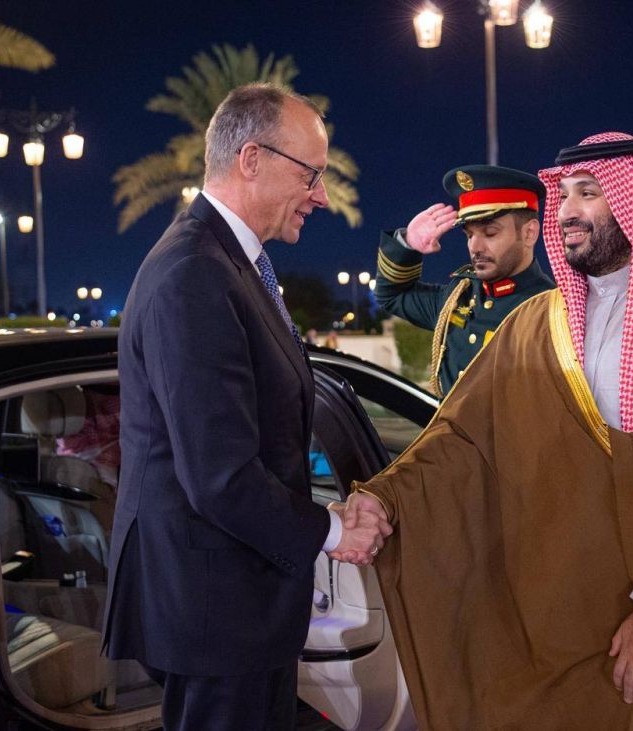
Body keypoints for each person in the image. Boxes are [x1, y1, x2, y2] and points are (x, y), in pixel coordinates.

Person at [344, 133, 633, 728]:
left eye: (588, 193)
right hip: (566, 602)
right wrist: (381, 498)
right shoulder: (535, 321)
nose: (566, 210)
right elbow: (461, 435)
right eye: (564, 194)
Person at [103, 83, 389, 731]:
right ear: (252, 159)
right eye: (311, 174)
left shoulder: (226, 262)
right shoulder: (195, 273)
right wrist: (335, 533)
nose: (321, 195)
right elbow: (221, 477)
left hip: (232, 609)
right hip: (214, 614)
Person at [374, 165, 554, 396]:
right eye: (469, 235)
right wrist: (407, 244)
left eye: (490, 233)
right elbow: (391, 295)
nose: (475, 247)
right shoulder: (458, 295)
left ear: (529, 233)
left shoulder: (551, 311)